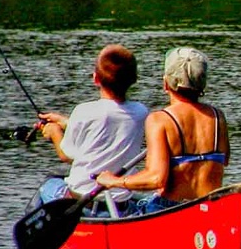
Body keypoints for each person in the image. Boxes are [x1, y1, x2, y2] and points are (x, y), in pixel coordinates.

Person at [96, 47, 229, 214]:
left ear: (166, 83)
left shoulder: (160, 120)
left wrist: (114, 181)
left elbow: (156, 179)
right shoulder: (218, 118)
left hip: (170, 210)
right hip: (210, 208)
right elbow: (223, 160)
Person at [36, 44, 148, 217]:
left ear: (95, 78)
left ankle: (49, 238)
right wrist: (65, 122)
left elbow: (66, 155)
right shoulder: (141, 112)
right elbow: (110, 124)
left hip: (81, 204)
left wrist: (54, 132)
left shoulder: (84, 111)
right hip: (120, 206)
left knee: (49, 185)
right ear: (134, 79)